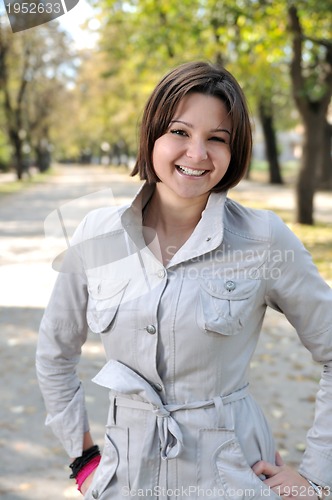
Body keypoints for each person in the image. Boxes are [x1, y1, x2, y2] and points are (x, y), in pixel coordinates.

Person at [36, 61, 332, 499]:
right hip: (125, 482)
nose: (197, 153)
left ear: (235, 152)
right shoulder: (97, 234)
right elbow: (55, 353)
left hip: (234, 480)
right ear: (152, 134)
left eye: (217, 138)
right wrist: (83, 461)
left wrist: (316, 477)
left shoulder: (263, 238)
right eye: (179, 132)